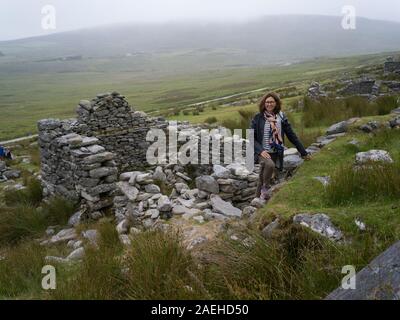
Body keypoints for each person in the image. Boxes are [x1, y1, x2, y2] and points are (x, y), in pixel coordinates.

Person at [250, 92, 310, 200]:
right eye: (267, 102)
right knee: (270, 165)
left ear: (276, 103)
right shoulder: (258, 117)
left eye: (272, 102)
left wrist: (303, 152)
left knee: (262, 177)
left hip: (276, 151)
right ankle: (265, 189)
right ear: (264, 104)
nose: (269, 104)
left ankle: (256, 202)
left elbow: (291, 135)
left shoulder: (281, 117)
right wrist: (260, 151)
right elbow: (251, 137)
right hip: (262, 152)